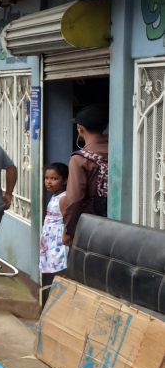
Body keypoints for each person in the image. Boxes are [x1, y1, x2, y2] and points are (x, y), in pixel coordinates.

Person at [62, 104, 109, 246]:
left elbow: (74, 199)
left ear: (80, 128)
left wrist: (68, 230)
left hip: (91, 224)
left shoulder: (80, 158)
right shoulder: (118, 147)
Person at [40, 162, 70, 303]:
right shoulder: (54, 196)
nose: (49, 182)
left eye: (54, 178)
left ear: (64, 180)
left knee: (60, 271)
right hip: (50, 240)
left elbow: (67, 220)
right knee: (54, 270)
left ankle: (60, 301)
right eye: (47, 178)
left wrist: (65, 236)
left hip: (58, 241)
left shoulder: (63, 198)